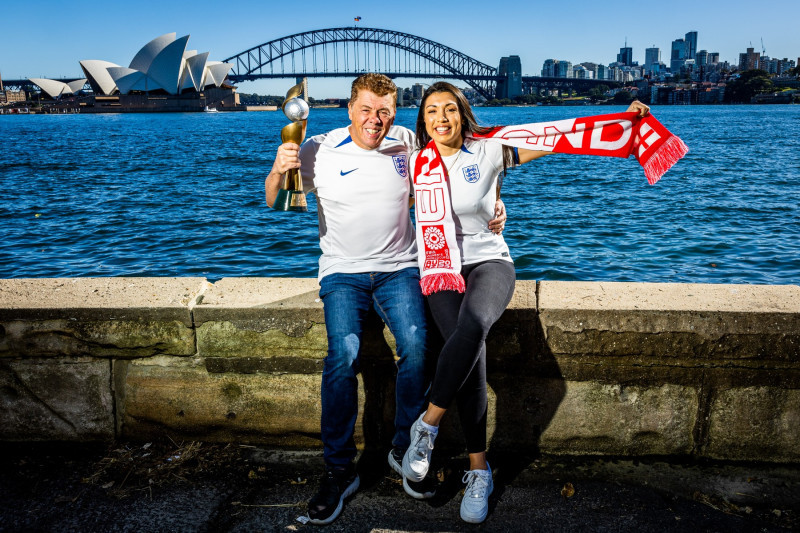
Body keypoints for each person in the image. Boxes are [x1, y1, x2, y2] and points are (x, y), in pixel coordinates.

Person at [400, 81, 650, 524]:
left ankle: (428, 424)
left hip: (489, 261)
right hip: (439, 268)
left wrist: (622, 118)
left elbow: (558, 136)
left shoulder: (491, 149)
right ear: (423, 119)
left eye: (450, 110)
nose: (441, 118)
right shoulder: (412, 163)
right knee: (470, 362)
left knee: (474, 324)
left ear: (463, 115)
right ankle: (480, 470)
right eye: (432, 110)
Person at [265, 74, 507, 525]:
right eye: (366, 109)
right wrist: (280, 169)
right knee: (345, 353)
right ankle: (339, 469)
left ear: (394, 113)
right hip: (342, 272)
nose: (374, 120)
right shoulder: (318, 147)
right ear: (349, 108)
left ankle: (405, 448)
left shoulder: (408, 143)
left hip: (400, 268)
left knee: (418, 346)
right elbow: (277, 202)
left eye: (384, 111)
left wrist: (497, 202)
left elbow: (467, 164)